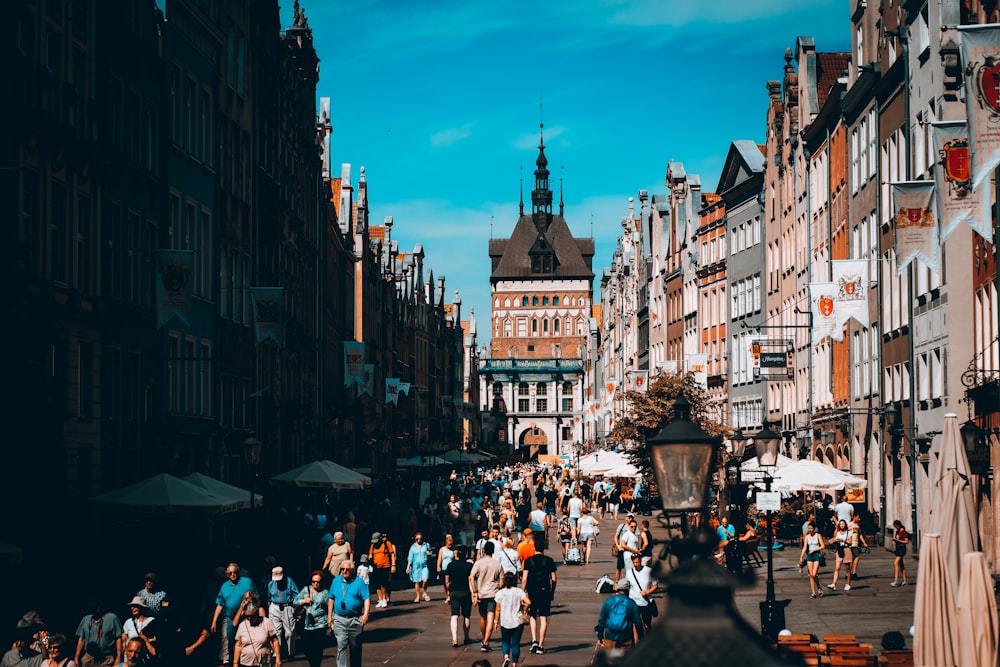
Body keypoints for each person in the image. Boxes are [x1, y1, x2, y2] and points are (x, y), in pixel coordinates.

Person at [326, 560, 371, 667]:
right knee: (341, 646)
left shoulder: (359, 582)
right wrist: (329, 616)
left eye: (347, 569)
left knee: (355, 648)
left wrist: (365, 614)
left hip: (355, 619)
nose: (345, 571)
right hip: (339, 619)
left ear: (352, 570)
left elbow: (366, 598)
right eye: (343, 569)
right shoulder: (336, 581)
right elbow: (331, 598)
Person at [210, 563, 256, 667]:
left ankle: (247, 661)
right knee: (229, 640)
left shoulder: (247, 582)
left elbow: (255, 598)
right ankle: (230, 662)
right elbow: (219, 604)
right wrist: (214, 621)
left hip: (246, 617)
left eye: (234, 572)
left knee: (247, 639)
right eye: (230, 573)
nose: (233, 575)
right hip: (230, 617)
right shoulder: (225, 586)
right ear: (227, 575)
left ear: (238, 572)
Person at [520, 537, 557, 656]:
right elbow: (554, 578)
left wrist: (523, 591)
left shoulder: (528, 561)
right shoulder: (549, 560)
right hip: (545, 590)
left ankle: (534, 640)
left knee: (532, 616)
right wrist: (552, 590)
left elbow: (524, 579)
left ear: (534, 548)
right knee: (544, 617)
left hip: (532, 591)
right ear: (544, 548)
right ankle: (541, 645)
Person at [470, 540, 504, 653]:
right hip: (493, 593)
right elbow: (502, 582)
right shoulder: (497, 564)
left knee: (482, 617)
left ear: (484, 551)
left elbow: (471, 576)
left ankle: (484, 638)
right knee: (490, 618)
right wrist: (498, 587)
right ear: (493, 551)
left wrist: (474, 590)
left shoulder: (479, 563)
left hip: (481, 593)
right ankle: (486, 642)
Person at [293, 570, 330, 667]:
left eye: (318, 582)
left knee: (318, 649)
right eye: (313, 581)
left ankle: (315, 665)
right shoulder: (306, 590)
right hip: (306, 624)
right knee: (307, 647)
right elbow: (295, 602)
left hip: (320, 624)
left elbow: (330, 608)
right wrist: (304, 601)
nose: (316, 584)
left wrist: (331, 621)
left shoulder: (325, 593)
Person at [595, 578, 643, 651]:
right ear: (628, 589)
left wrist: (600, 636)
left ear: (618, 587)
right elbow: (638, 622)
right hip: (626, 637)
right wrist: (641, 638)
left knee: (611, 660)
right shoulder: (631, 603)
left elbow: (601, 620)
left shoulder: (609, 601)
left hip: (610, 636)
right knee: (626, 660)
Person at [74, 597, 123, 667]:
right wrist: (76, 657)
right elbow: (81, 640)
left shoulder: (112, 618)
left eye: (95, 608)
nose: (93, 611)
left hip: (106, 658)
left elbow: (119, 639)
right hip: (89, 657)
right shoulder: (86, 619)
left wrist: (119, 657)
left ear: (100, 606)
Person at [494, 572, 529, 667]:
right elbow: (528, 602)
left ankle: (506, 656)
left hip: (505, 620)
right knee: (515, 643)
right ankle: (514, 664)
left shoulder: (500, 593)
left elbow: (498, 609)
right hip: (517, 621)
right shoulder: (519, 591)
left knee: (505, 641)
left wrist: (496, 621)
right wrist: (524, 607)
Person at [232, 600, 281, 667]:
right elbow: (238, 645)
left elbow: (275, 641)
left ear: (257, 613)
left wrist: (278, 658)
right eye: (247, 616)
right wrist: (235, 663)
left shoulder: (267, 622)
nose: (249, 618)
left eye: (251, 616)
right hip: (246, 663)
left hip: (264, 662)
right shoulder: (242, 625)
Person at [265, 565, 300, 660]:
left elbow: (297, 595)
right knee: (276, 632)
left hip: (287, 607)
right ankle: (277, 654)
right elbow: (269, 597)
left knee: (289, 633)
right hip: (274, 607)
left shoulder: (289, 581)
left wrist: (296, 609)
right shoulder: (271, 583)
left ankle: (290, 653)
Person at [445, 546, 475, 647]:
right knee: (466, 616)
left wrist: (448, 592)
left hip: (454, 592)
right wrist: (474, 593)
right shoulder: (469, 566)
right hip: (465, 592)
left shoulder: (450, 565)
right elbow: (470, 581)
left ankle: (454, 639)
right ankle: (466, 637)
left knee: (454, 616)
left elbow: (447, 581)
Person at [624, 554, 658, 632]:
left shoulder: (648, 571)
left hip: (645, 602)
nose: (635, 564)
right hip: (634, 602)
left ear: (641, 561)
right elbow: (627, 587)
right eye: (634, 563)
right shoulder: (629, 573)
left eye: (637, 562)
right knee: (635, 625)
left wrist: (647, 592)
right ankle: (636, 643)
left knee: (647, 625)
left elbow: (655, 585)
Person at [368, 532, 397, 608]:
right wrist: (370, 558)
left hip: (385, 566)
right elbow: (370, 554)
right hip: (376, 566)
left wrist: (393, 565)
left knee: (384, 583)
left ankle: (384, 598)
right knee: (377, 584)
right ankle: (380, 599)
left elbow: (392, 554)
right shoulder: (373, 545)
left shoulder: (387, 544)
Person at [798, 522, 826, 598]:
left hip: (816, 555)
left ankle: (819, 587)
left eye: (811, 528)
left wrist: (815, 549)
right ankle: (813, 592)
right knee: (811, 575)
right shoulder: (807, 537)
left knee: (814, 574)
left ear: (814, 529)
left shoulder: (818, 535)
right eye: (809, 528)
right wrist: (801, 557)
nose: (810, 530)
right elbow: (805, 548)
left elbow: (823, 546)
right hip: (810, 556)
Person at [827, 519, 854, 591]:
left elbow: (850, 542)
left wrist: (843, 541)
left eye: (843, 524)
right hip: (839, 550)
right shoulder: (838, 533)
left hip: (846, 550)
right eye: (841, 524)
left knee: (847, 569)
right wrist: (835, 541)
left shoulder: (849, 533)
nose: (842, 525)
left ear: (845, 525)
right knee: (837, 568)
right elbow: (835, 539)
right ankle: (834, 584)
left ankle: (848, 584)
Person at [406, 532, 433, 602]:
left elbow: (431, 552)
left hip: (424, 565)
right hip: (416, 566)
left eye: (420, 539)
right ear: (415, 539)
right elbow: (410, 558)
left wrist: (429, 553)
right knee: (417, 582)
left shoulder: (426, 545)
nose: (419, 540)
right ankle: (418, 596)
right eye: (417, 539)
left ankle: (424, 593)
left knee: (425, 580)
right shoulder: (413, 547)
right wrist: (408, 567)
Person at [437, 534, 456, 602]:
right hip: (444, 568)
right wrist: (438, 566)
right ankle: (447, 596)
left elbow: (455, 559)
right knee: (445, 583)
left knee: (449, 582)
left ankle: (450, 594)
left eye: (451, 544)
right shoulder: (442, 549)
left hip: (451, 568)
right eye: (449, 544)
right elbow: (439, 559)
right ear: (446, 543)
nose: (450, 546)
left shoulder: (453, 550)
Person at [889, 520, 909, 586]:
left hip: (902, 549)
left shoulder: (903, 532)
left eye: (896, 526)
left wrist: (898, 540)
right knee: (901, 565)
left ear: (899, 525)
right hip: (898, 548)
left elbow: (906, 541)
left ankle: (896, 580)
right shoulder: (897, 531)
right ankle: (905, 580)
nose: (896, 528)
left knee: (895, 563)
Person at [848, 512, 868, 578]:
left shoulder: (857, 525)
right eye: (858, 517)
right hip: (851, 544)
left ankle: (848, 573)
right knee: (857, 557)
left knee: (852, 559)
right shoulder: (849, 524)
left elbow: (860, 535)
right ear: (854, 517)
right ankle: (854, 573)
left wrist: (864, 542)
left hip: (856, 544)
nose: (859, 519)